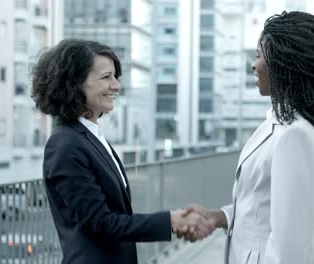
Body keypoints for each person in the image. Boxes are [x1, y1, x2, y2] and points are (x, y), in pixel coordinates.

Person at [180, 11, 314, 263]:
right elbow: (264, 208)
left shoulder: (296, 136)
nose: (253, 64)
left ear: (284, 64)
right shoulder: (280, 123)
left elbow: (288, 252)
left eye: (259, 56)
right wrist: (219, 217)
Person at [31, 39, 213, 264]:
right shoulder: (65, 145)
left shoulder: (90, 137)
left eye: (115, 77)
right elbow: (101, 224)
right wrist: (170, 221)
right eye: (106, 77)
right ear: (75, 83)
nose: (116, 85)